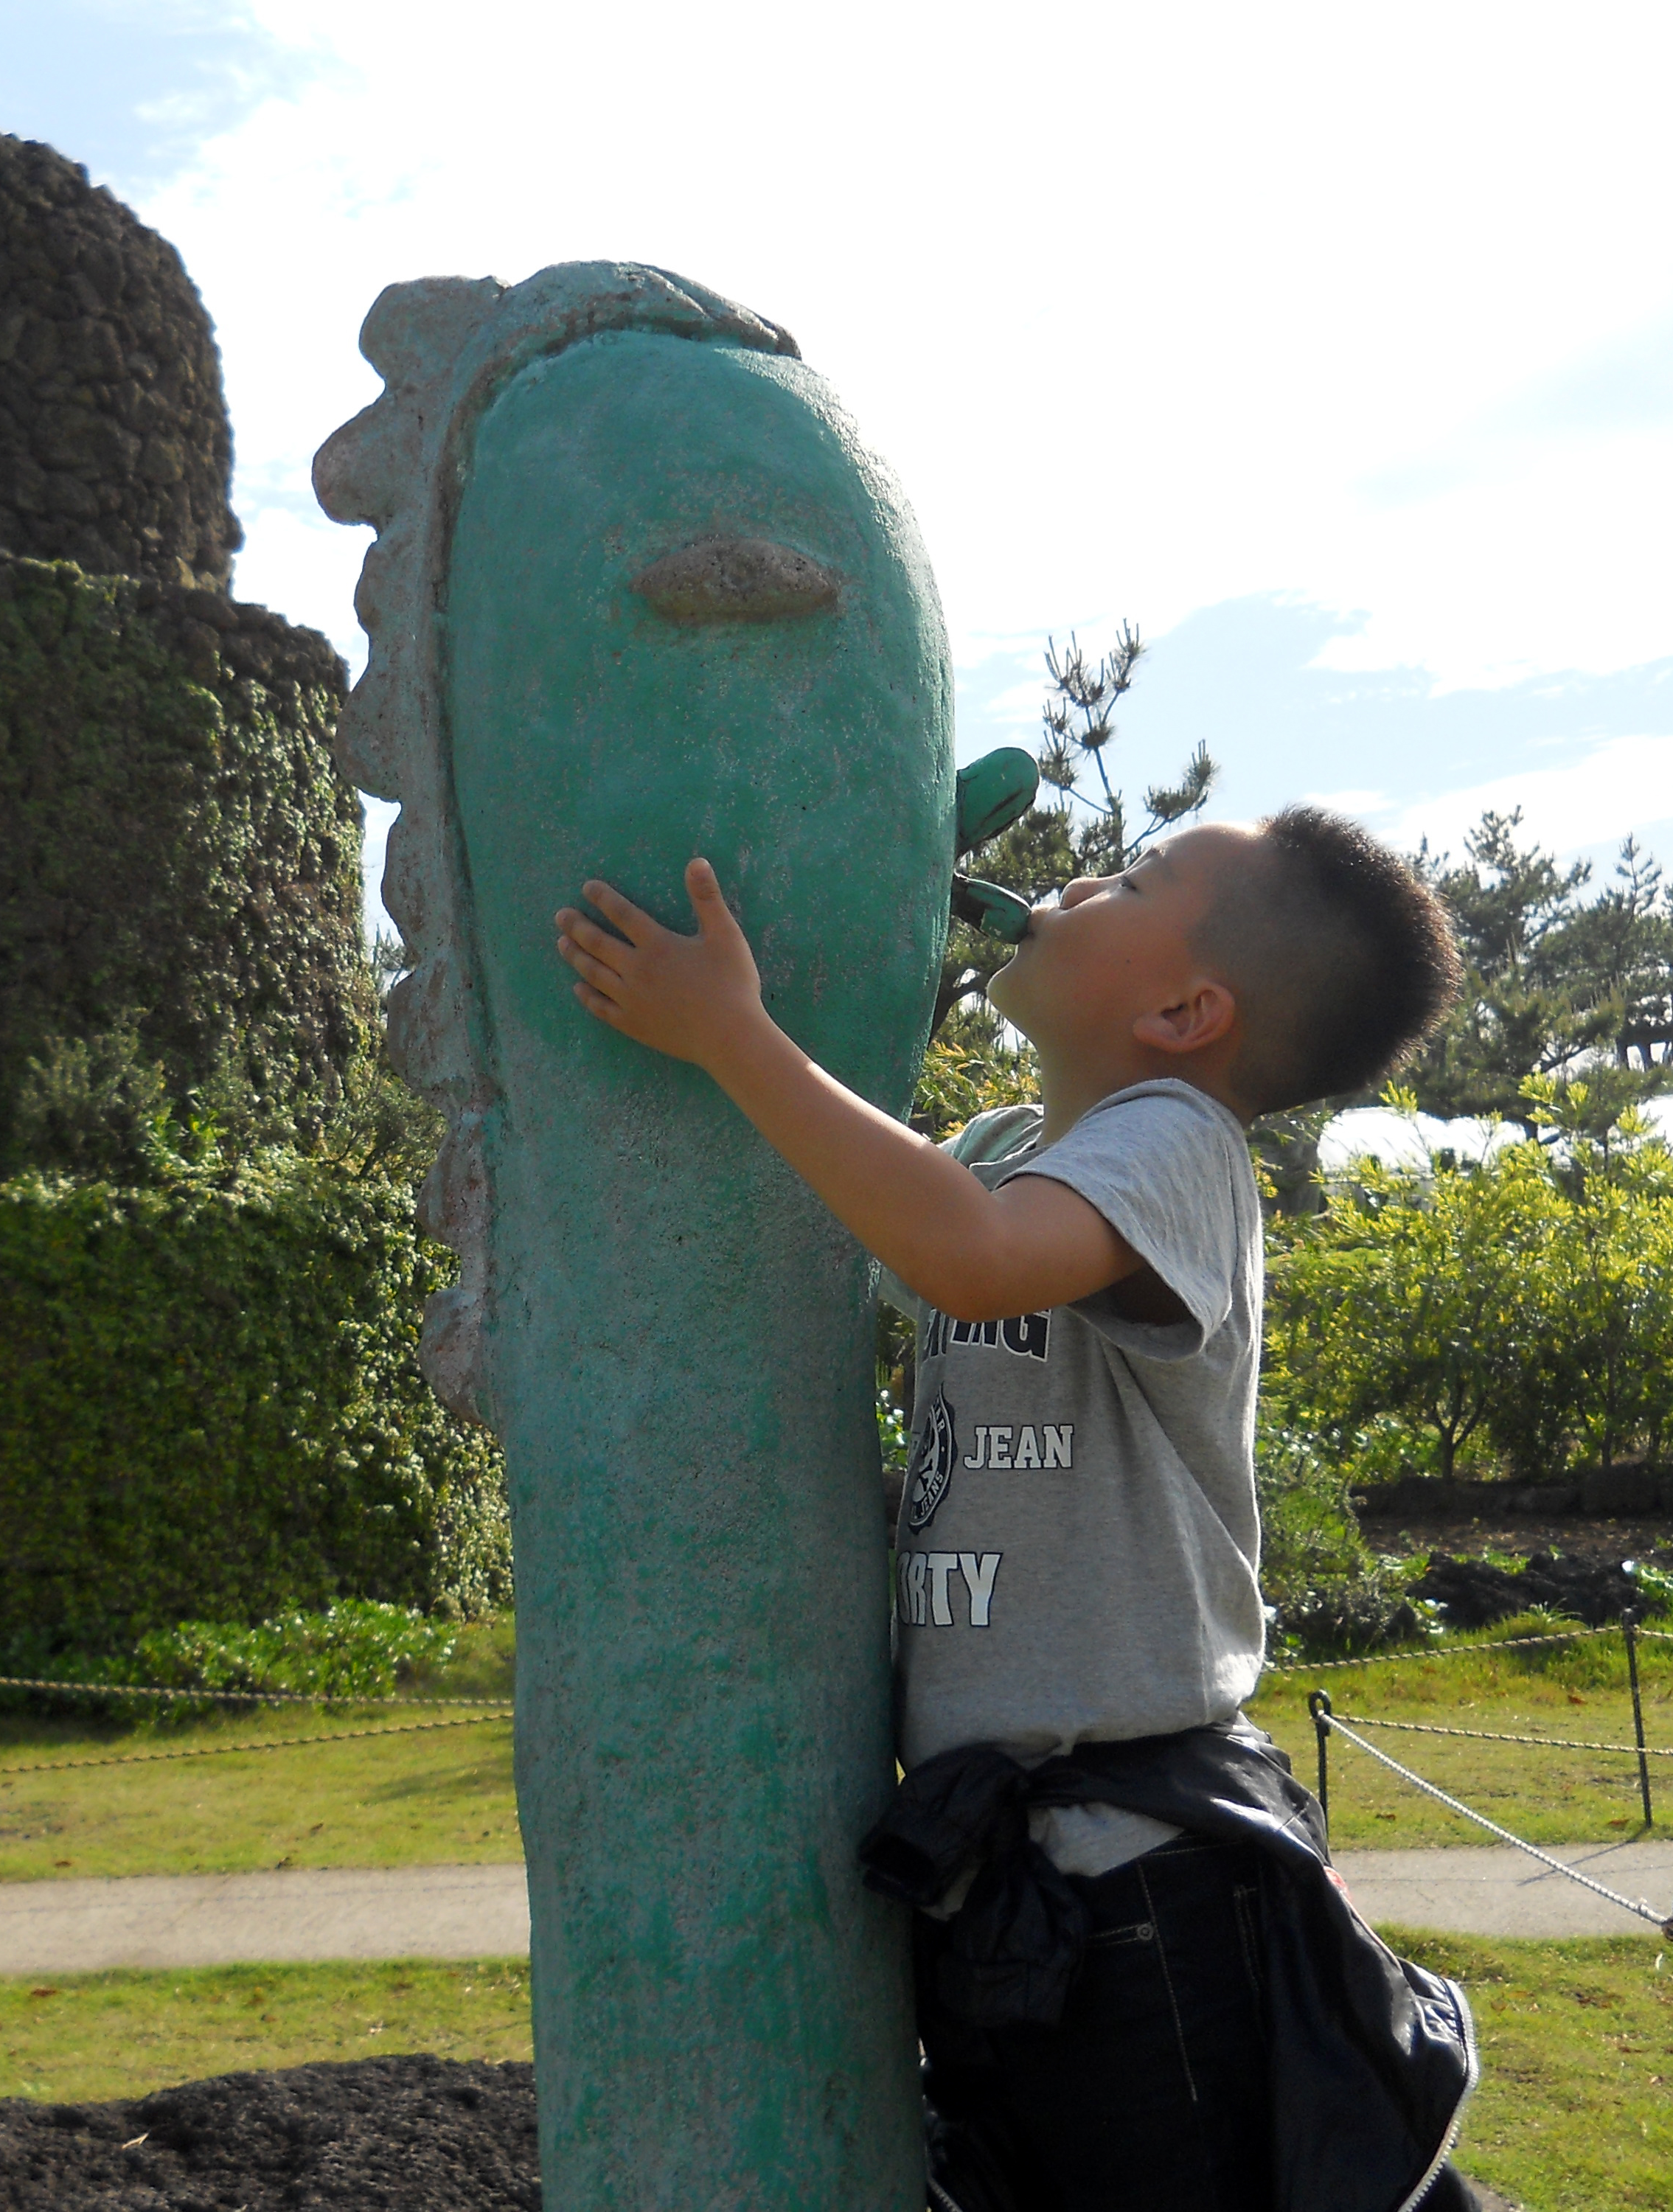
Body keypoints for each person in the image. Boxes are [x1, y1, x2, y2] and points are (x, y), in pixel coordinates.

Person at [552, 809, 1480, 2212]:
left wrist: (735, 1032)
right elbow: (887, 1207)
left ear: (1185, 1014)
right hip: (1021, 1876)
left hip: (1140, 1882)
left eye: (1137, 878)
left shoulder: (1181, 1141)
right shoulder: (1000, 1148)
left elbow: (970, 1256)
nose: (1083, 874)